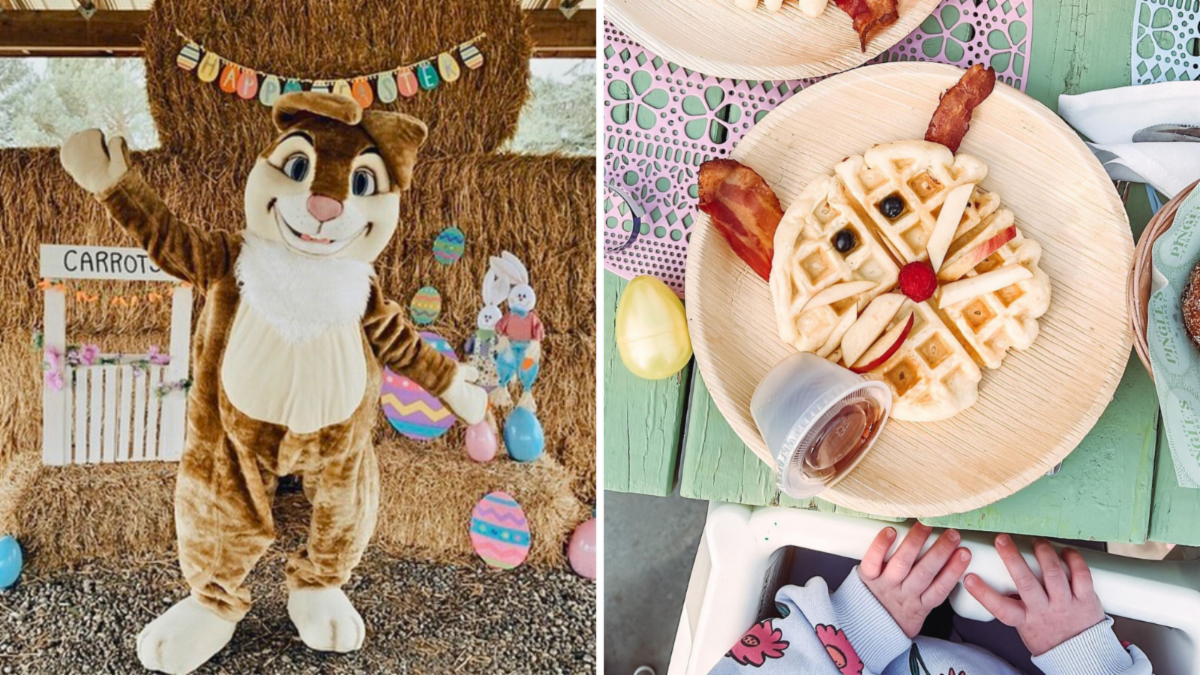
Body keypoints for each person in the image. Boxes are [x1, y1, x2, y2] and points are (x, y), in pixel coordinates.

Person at [708, 523, 1153, 674]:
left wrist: (857, 626)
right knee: (1053, 534)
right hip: (1032, 653)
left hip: (835, 642)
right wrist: (1081, 655)